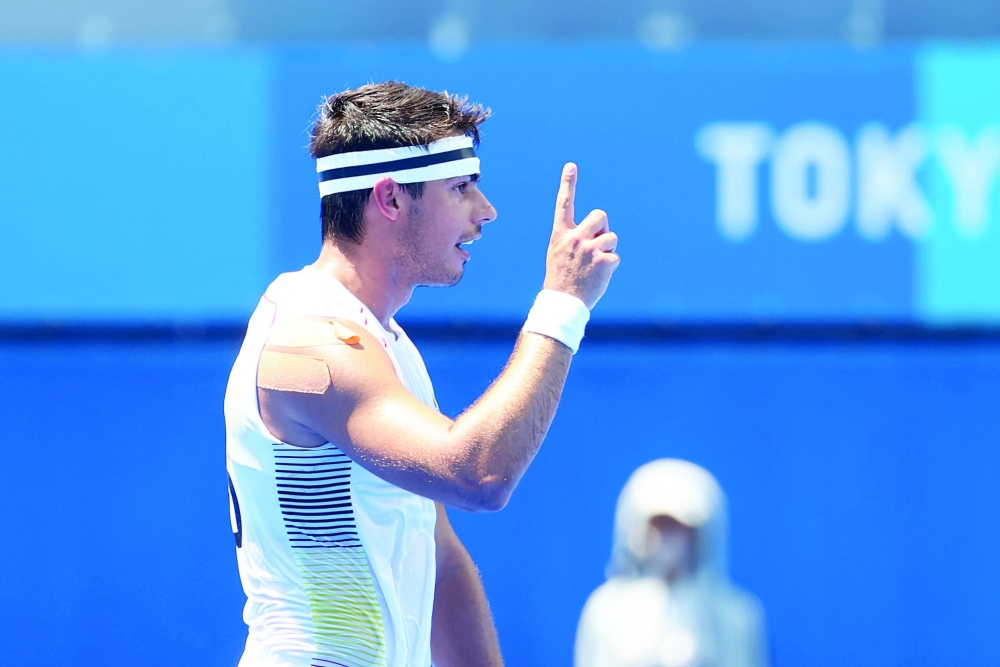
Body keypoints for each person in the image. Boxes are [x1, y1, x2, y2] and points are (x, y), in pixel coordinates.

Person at [224, 81, 620, 667]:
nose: (485, 212)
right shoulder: (309, 344)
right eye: (460, 188)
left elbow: (438, 554)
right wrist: (562, 305)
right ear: (389, 199)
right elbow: (478, 475)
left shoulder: (384, 344)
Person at [575, 459, 768, 667]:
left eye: (676, 525)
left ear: (699, 535)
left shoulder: (736, 617)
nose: (663, 537)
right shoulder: (605, 611)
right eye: (656, 524)